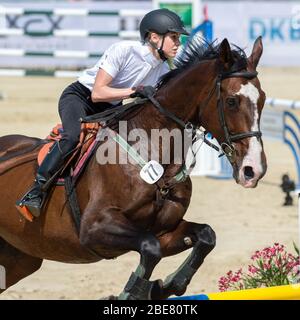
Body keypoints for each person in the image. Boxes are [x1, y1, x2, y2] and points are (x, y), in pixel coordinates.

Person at [17, 8, 189, 218]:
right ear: (154, 37)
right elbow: (98, 93)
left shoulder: (163, 70)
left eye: (178, 38)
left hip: (112, 106)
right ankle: (36, 190)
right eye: (174, 37)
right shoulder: (124, 50)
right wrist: (135, 91)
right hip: (81, 98)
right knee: (72, 137)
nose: (178, 43)